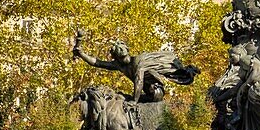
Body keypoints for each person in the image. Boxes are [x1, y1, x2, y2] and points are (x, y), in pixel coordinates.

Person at [72, 33, 200, 103]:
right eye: (121, 58)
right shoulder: (120, 65)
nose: (125, 60)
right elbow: (98, 63)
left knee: (126, 98)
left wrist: (134, 101)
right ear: (117, 58)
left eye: (126, 56)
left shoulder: (138, 62)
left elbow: (139, 82)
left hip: (156, 93)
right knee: (121, 98)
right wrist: (81, 53)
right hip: (145, 94)